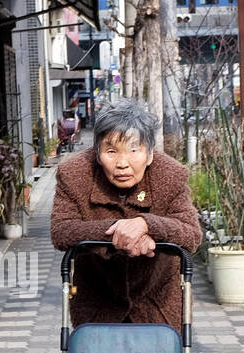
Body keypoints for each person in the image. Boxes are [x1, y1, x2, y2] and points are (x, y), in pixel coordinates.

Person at [49, 98, 202, 335]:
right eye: (111, 151)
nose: (122, 163)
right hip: (96, 306)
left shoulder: (170, 175)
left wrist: (146, 225)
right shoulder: (74, 174)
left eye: (133, 150)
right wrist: (116, 231)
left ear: (150, 154)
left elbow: (192, 234)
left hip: (158, 306)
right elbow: (61, 231)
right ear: (98, 153)